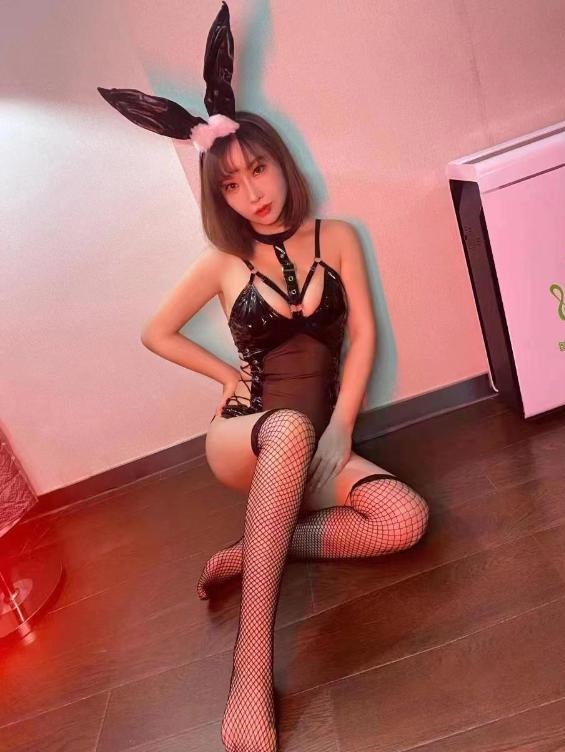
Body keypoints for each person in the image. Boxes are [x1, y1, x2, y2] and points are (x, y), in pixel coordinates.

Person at [98, 6, 430, 751]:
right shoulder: (222, 263)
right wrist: (225, 375)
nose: (252, 192)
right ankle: (249, 673)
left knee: (404, 520)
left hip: (316, 441)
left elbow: (364, 335)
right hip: (246, 437)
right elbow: (156, 332)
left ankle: (255, 552)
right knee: (283, 430)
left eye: (258, 169)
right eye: (232, 185)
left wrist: (342, 429)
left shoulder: (338, 237)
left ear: (280, 161)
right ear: (220, 199)